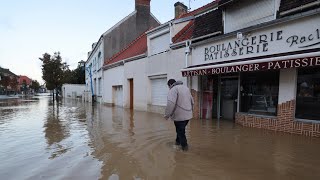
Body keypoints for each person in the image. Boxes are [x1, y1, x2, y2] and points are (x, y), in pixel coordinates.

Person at [164, 79, 194, 151]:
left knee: (181, 131)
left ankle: (185, 148)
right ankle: (177, 142)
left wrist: (167, 115)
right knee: (180, 130)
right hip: (188, 115)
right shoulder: (186, 88)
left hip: (179, 116)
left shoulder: (173, 89)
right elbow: (192, 101)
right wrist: (190, 112)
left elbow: (171, 103)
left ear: (169, 85)